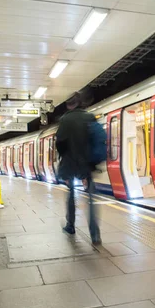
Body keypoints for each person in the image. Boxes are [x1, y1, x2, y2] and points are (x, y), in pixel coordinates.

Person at [55, 95, 101, 244]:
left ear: (69, 105)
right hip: (86, 164)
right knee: (91, 199)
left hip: (70, 164)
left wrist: (64, 165)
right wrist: (93, 163)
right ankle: (95, 235)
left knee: (71, 195)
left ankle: (71, 226)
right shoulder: (90, 118)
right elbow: (97, 140)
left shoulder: (64, 120)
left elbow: (60, 144)